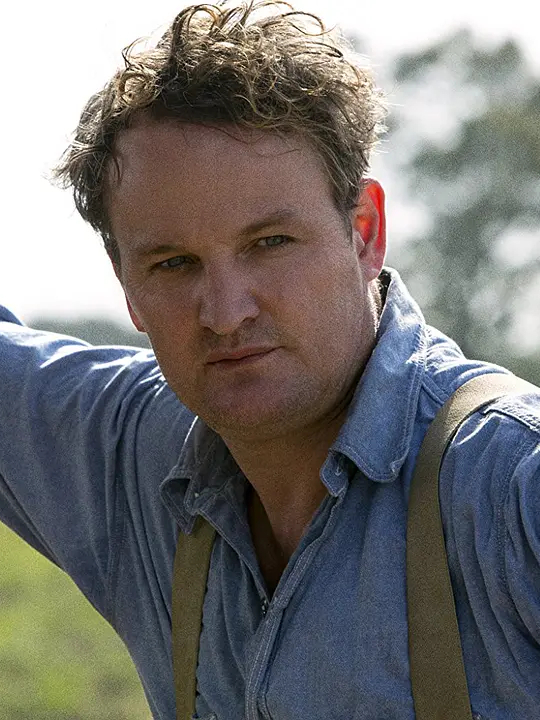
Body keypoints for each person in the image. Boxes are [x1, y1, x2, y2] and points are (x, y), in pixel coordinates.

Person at [1, 1, 539, 718]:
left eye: (270, 244)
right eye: (173, 263)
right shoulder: (130, 455)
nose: (226, 313)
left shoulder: (511, 489)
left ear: (364, 232)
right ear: (125, 285)